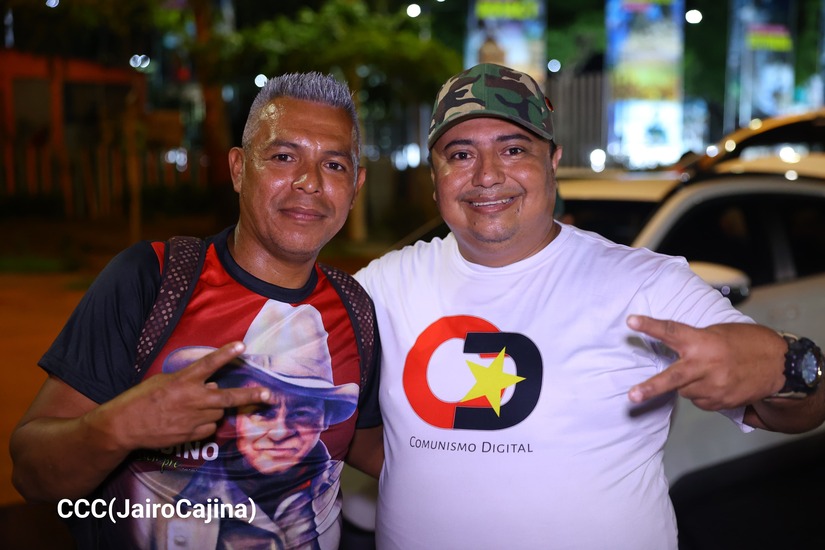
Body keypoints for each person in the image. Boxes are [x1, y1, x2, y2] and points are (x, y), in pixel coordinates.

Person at [353, 63, 825, 549]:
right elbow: (322, 402)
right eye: (460, 154)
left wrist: (787, 367)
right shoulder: (385, 284)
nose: (487, 175)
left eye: (514, 149)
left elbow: (807, 410)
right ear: (436, 177)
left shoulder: (646, 284)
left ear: (553, 161)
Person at [10, 71, 382, 549]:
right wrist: (119, 426)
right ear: (238, 169)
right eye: (283, 157)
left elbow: (374, 447)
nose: (309, 182)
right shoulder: (151, 280)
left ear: (356, 186)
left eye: (333, 165)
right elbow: (31, 474)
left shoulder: (354, 307)